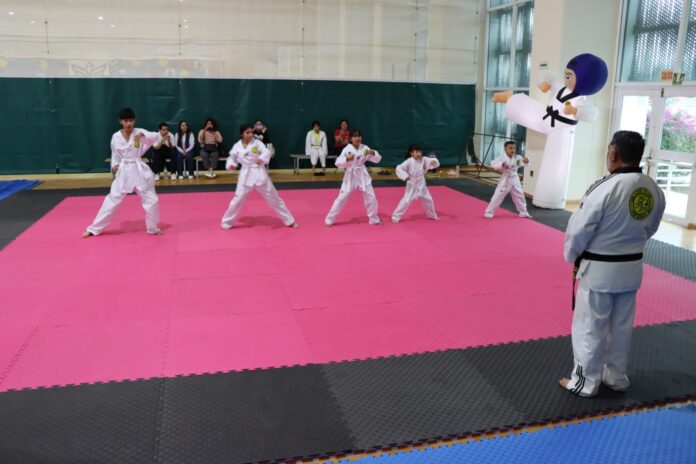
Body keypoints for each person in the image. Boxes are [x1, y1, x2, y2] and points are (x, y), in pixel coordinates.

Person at [559, 131, 665, 397]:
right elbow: (651, 227)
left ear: (613, 153)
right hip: (631, 269)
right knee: (620, 328)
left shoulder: (605, 187)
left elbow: (578, 230)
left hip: (600, 271)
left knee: (590, 327)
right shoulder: (653, 188)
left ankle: (585, 383)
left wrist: (572, 255)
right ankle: (616, 377)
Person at [492, 53, 608, 209]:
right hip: (545, 116)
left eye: (570, 76)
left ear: (585, 80)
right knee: (526, 108)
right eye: (566, 74)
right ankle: (509, 98)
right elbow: (550, 76)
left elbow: (593, 114)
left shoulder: (579, 100)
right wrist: (544, 83)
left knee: (554, 163)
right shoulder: (562, 88)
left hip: (560, 130)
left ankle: (548, 199)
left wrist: (576, 110)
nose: (566, 78)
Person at [82, 108, 162, 237]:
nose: (129, 123)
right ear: (121, 121)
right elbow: (115, 153)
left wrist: (144, 135)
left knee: (152, 200)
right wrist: (115, 165)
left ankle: (153, 228)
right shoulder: (116, 137)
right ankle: (94, 229)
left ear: (134, 120)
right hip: (124, 171)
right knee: (112, 200)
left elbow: (156, 136)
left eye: (131, 120)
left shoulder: (139, 132)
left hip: (138, 170)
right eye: (126, 121)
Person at [221, 124, 298, 230]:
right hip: (246, 175)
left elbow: (266, 151)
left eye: (251, 132)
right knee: (237, 200)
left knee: (274, 198)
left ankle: (290, 220)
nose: (250, 134)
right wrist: (231, 165)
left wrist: (262, 158)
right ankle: (226, 222)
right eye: (247, 132)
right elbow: (232, 157)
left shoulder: (257, 143)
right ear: (242, 134)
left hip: (259, 172)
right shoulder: (237, 146)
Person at [325, 130, 382, 226]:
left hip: (362, 175)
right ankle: (329, 219)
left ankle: (374, 219)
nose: (357, 138)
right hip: (350, 176)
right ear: (350, 139)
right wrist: (347, 159)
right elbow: (337, 163)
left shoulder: (365, 148)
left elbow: (378, 160)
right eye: (355, 136)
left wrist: (373, 152)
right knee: (341, 199)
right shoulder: (347, 149)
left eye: (359, 136)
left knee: (371, 197)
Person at [392, 144, 440, 223]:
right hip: (412, 183)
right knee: (406, 200)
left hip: (421, 183)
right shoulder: (409, 161)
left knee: (428, 199)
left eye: (419, 152)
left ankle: (431, 214)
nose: (419, 154)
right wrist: (406, 176)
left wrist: (434, 161)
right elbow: (399, 168)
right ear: (411, 153)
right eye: (416, 152)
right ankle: (395, 216)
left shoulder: (424, 159)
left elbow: (434, 161)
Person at [484, 141, 532, 219]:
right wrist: (502, 165)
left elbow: (524, 162)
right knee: (497, 196)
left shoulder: (517, 157)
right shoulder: (501, 158)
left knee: (519, 195)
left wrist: (527, 160)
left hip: (515, 178)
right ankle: (489, 212)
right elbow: (493, 164)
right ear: (505, 149)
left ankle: (524, 212)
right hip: (505, 179)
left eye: (514, 148)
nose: (513, 150)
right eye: (510, 148)